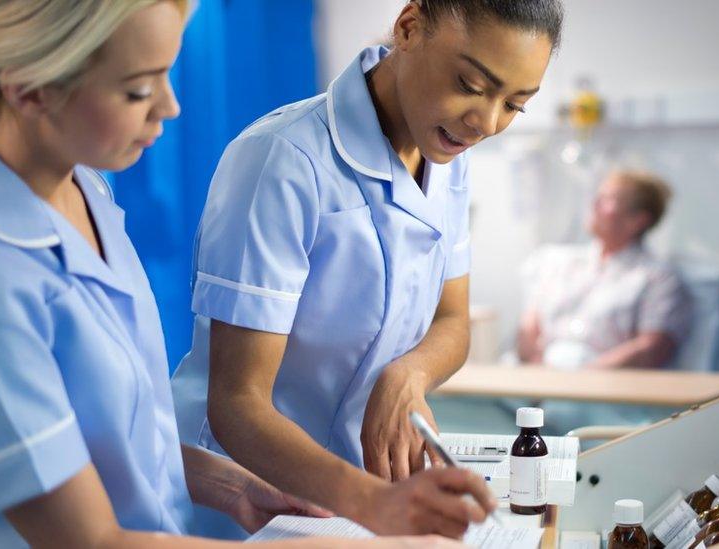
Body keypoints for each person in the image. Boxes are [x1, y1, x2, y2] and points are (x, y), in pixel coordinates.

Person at [0, 1, 462, 547]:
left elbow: (113, 439)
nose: (170, 106)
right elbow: (89, 540)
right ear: (29, 87)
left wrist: (229, 486)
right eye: (139, 89)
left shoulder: (83, 188)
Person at [170, 0, 564, 539]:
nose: (486, 122)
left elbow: (453, 323)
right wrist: (374, 502)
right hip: (245, 494)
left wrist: (409, 374)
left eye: (515, 105)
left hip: (351, 500)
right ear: (408, 27)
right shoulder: (282, 159)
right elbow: (238, 404)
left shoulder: (447, 153)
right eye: (471, 84)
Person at [517, 170, 693, 371]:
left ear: (638, 220)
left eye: (608, 199)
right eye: (597, 197)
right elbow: (529, 325)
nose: (594, 205)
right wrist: (536, 372)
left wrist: (581, 379)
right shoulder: (559, 263)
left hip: (603, 386)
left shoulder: (657, 277)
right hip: (538, 378)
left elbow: (652, 348)